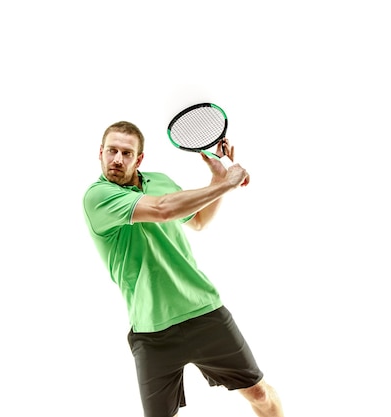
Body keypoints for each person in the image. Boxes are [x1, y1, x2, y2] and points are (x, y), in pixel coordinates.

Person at [82, 120, 284, 417]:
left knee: (259, 392)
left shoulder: (160, 181)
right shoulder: (97, 197)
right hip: (152, 331)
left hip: (203, 311)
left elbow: (198, 220)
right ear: (100, 152)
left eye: (126, 153)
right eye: (111, 151)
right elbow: (163, 210)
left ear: (139, 159)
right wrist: (228, 182)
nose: (117, 159)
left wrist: (217, 180)